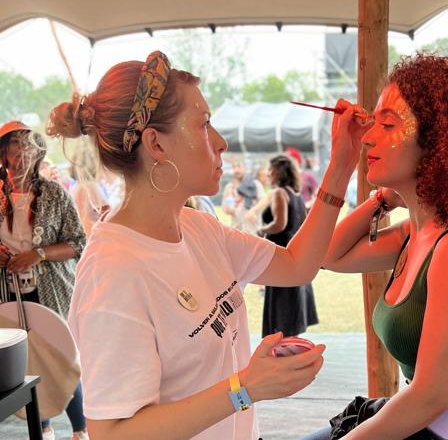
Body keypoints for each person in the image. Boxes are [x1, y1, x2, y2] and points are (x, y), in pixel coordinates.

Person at [46, 50, 361, 440]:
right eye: (204, 124)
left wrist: (342, 165)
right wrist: (245, 388)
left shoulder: (198, 228)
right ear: (156, 145)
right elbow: (112, 433)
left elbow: (298, 265)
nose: (221, 141)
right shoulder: (114, 272)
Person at [312, 54, 448, 439]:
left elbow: (430, 396)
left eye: (388, 124)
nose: (367, 137)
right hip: (433, 417)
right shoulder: (415, 234)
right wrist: (380, 197)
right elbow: (327, 255)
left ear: (438, 141)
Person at [0, 121, 88, 440]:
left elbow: (79, 241)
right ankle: (44, 427)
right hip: (8, 297)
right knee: (25, 364)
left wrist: (38, 253)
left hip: (50, 294)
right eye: (13, 147)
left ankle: (80, 429)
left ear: (37, 154)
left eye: (27, 147)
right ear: (4, 154)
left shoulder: (54, 194)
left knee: (61, 359)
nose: (21, 154)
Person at [258, 155, 319, 337]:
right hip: (295, 252)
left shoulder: (279, 194)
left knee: (281, 307)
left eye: (271, 169)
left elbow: (279, 224)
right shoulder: (297, 195)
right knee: (292, 303)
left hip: (281, 253)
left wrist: (261, 230)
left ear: (279, 172)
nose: (268, 173)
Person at [222, 160, 265, 234]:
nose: (236, 170)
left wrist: (254, 211)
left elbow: (264, 202)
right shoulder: (229, 187)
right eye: (234, 167)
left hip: (253, 231)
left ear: (245, 168)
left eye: (239, 166)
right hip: (237, 231)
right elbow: (224, 208)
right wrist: (228, 209)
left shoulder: (256, 184)